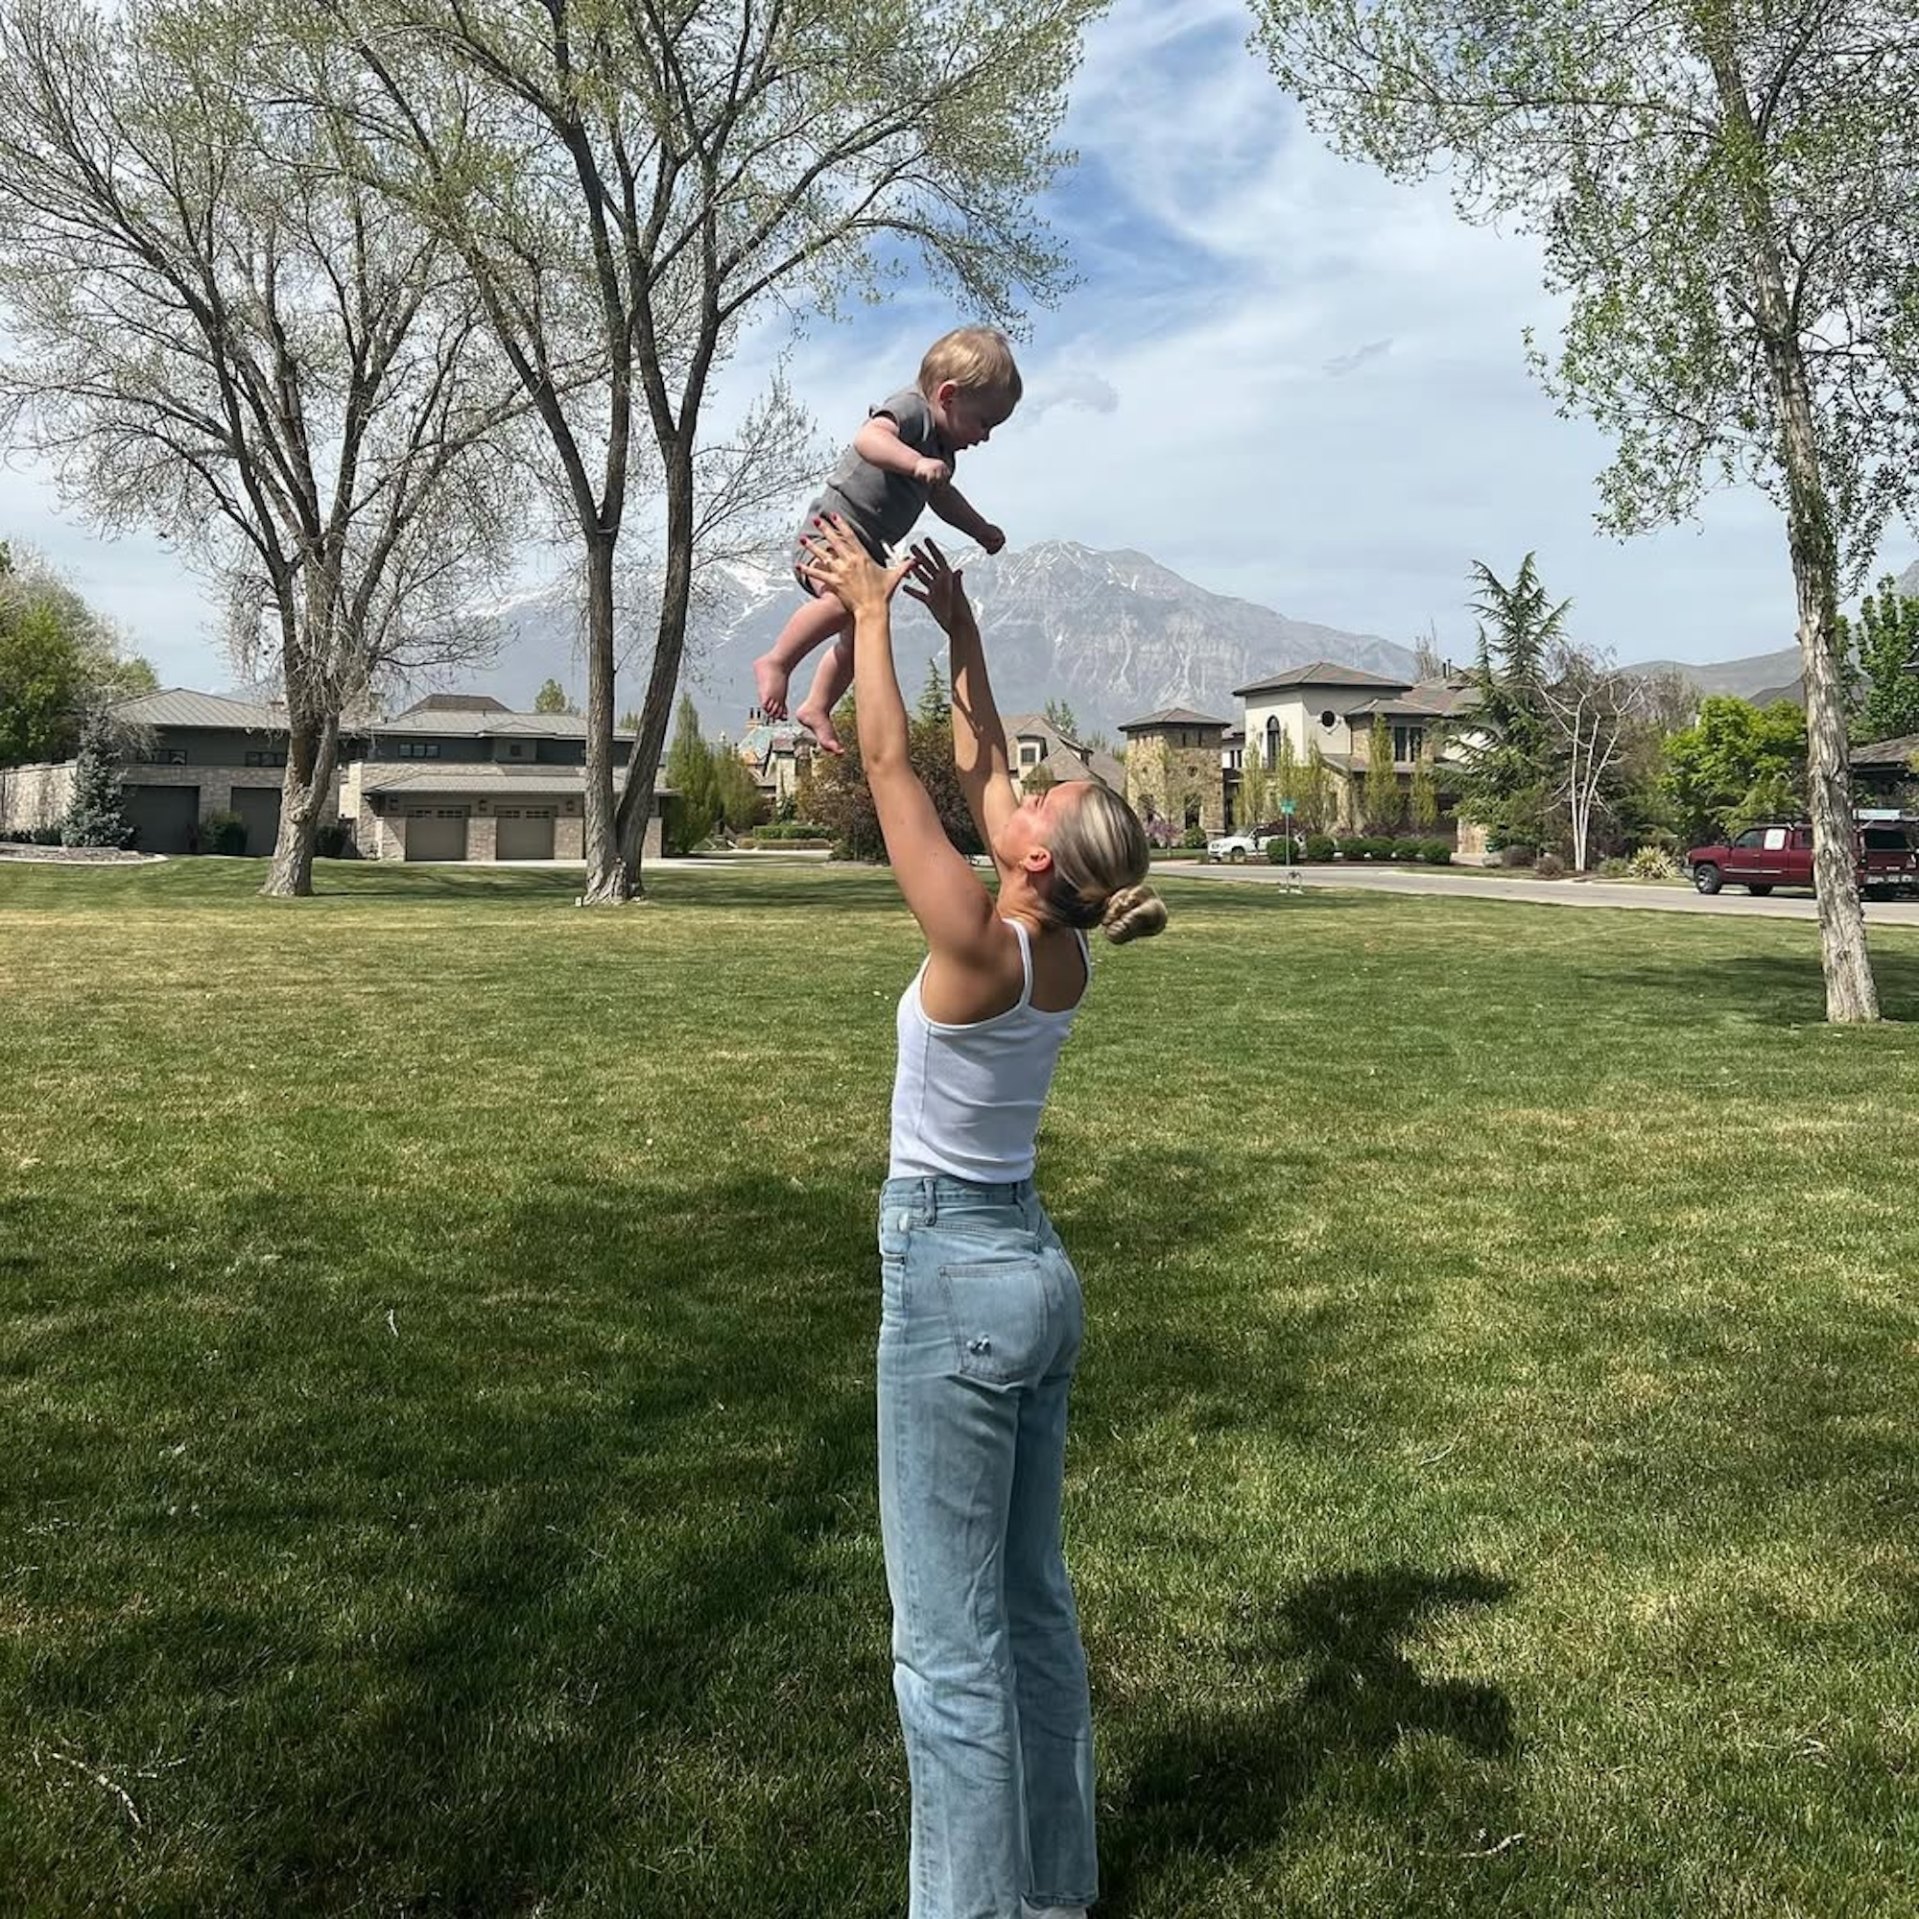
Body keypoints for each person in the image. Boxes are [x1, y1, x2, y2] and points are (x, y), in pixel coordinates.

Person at [799, 516, 1166, 1919]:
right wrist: (959, 632)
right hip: (1032, 1274)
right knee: (1030, 1609)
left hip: (952, 1272)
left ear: (1028, 853)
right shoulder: (1058, 949)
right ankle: (1055, 1890)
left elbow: (898, 768)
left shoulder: (971, 940)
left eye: (1041, 795)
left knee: (946, 1650)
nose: (1027, 783)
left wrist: (866, 614)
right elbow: (978, 761)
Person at [753, 327, 1020, 753]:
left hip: (866, 550)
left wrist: (979, 527)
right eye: (984, 422)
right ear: (948, 396)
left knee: (861, 631)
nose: (985, 436)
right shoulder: (912, 409)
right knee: (843, 604)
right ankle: (777, 660)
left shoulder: (943, 452)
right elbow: (869, 438)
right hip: (831, 531)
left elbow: (944, 499)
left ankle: (817, 704)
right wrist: (915, 463)